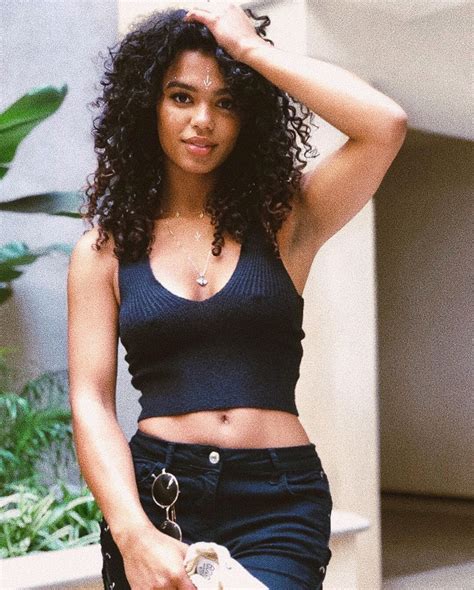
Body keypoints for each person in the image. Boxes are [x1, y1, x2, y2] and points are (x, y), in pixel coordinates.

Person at [67, 3, 407, 589]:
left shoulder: (287, 219)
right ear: (147, 106)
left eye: (225, 102)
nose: (203, 119)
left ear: (247, 117)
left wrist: (253, 51)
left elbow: (385, 124)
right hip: (157, 497)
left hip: (277, 501)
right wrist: (133, 533)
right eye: (181, 97)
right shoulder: (103, 251)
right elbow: (91, 401)